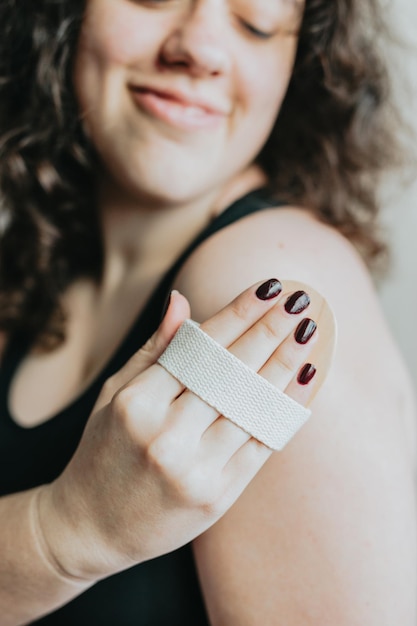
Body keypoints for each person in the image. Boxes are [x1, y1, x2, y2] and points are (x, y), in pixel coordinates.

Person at [0, 0, 415, 624]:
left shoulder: (264, 278)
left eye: (256, 19)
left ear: (300, 60)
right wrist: (64, 529)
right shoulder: (35, 260)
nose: (199, 49)